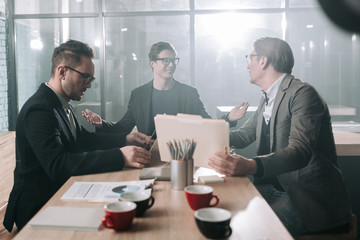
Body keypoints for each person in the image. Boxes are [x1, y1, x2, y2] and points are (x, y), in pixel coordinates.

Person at [208, 37, 352, 236]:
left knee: (246, 231)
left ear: (263, 60)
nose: (248, 64)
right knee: (224, 213)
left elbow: (300, 151)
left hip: (304, 198)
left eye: (250, 57)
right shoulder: (266, 98)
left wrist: (250, 164)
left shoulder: (302, 94)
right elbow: (243, 136)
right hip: (274, 189)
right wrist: (204, 134)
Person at [3, 40, 152, 232]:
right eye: (85, 77)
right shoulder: (39, 109)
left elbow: (83, 139)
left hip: (64, 191)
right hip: (39, 206)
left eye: (91, 79)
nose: (89, 85)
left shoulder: (61, 103)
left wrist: (125, 139)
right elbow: (58, 164)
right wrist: (120, 156)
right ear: (62, 71)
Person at [82, 41, 248, 136]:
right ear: (152, 63)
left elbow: (206, 122)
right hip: (147, 158)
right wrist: (101, 123)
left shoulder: (188, 94)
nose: (171, 65)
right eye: (166, 61)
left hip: (182, 158)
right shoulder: (139, 95)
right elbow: (123, 127)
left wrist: (229, 118)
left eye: (174, 60)